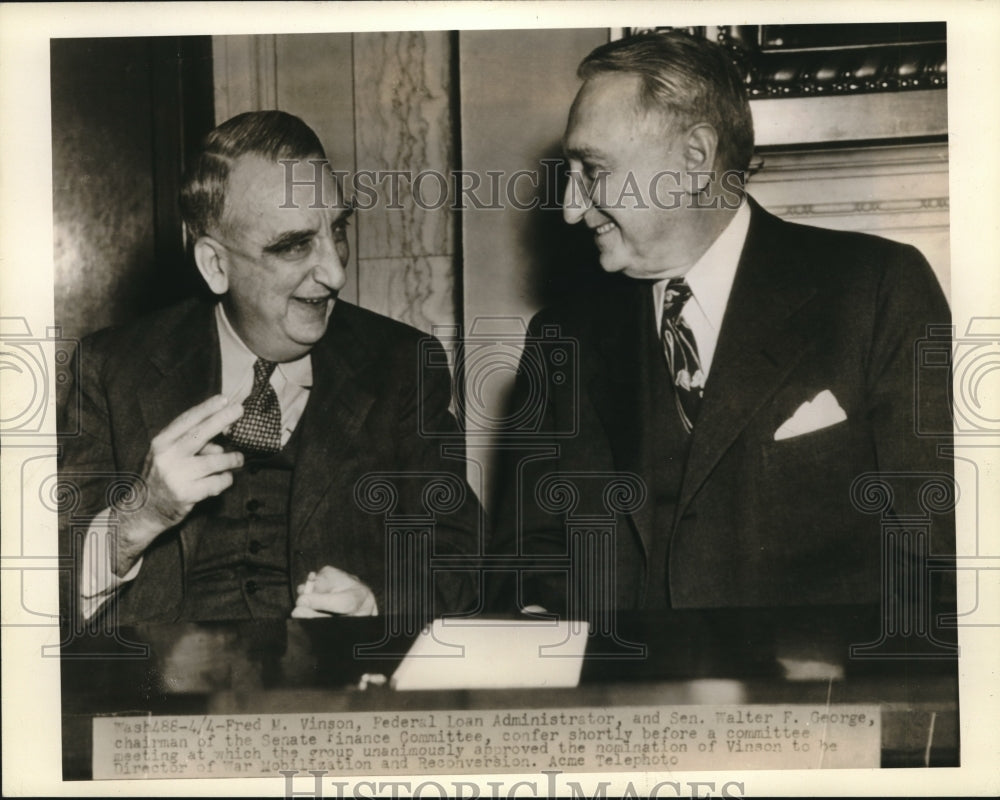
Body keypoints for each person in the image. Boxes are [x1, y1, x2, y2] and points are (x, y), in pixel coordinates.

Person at [491, 32, 955, 614]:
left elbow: (937, 550)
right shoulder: (561, 338)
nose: (570, 206)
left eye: (593, 169)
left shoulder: (877, 288)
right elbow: (525, 560)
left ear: (694, 157)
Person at [59, 110, 480, 626]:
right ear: (216, 265)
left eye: (337, 230)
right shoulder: (110, 369)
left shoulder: (402, 365)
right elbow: (35, 592)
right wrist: (136, 520)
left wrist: (377, 604)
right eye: (294, 244)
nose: (335, 272)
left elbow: (466, 564)